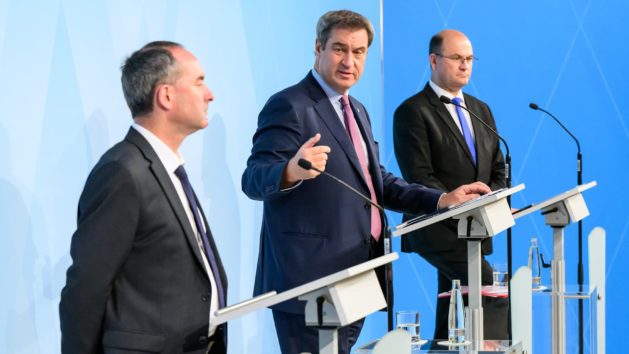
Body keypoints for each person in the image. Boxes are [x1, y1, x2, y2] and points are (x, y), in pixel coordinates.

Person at [241, 11, 491, 354]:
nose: (349, 61)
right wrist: (290, 171)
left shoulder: (356, 108)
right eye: (339, 49)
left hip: (358, 273)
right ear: (318, 48)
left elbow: (378, 184)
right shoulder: (290, 105)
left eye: (358, 52)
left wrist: (441, 199)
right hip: (311, 283)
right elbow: (253, 178)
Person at [59, 41, 228, 353]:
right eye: (199, 82)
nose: (210, 94)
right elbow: (86, 289)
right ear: (165, 95)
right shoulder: (123, 171)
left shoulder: (167, 169)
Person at [393, 29, 507, 340]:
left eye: (470, 59)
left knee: (449, 314)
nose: (465, 65)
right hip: (436, 228)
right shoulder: (412, 111)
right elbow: (418, 176)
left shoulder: (481, 110)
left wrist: (489, 201)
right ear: (433, 60)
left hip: (475, 229)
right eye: (457, 58)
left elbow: (499, 167)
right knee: (487, 291)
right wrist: (459, 204)